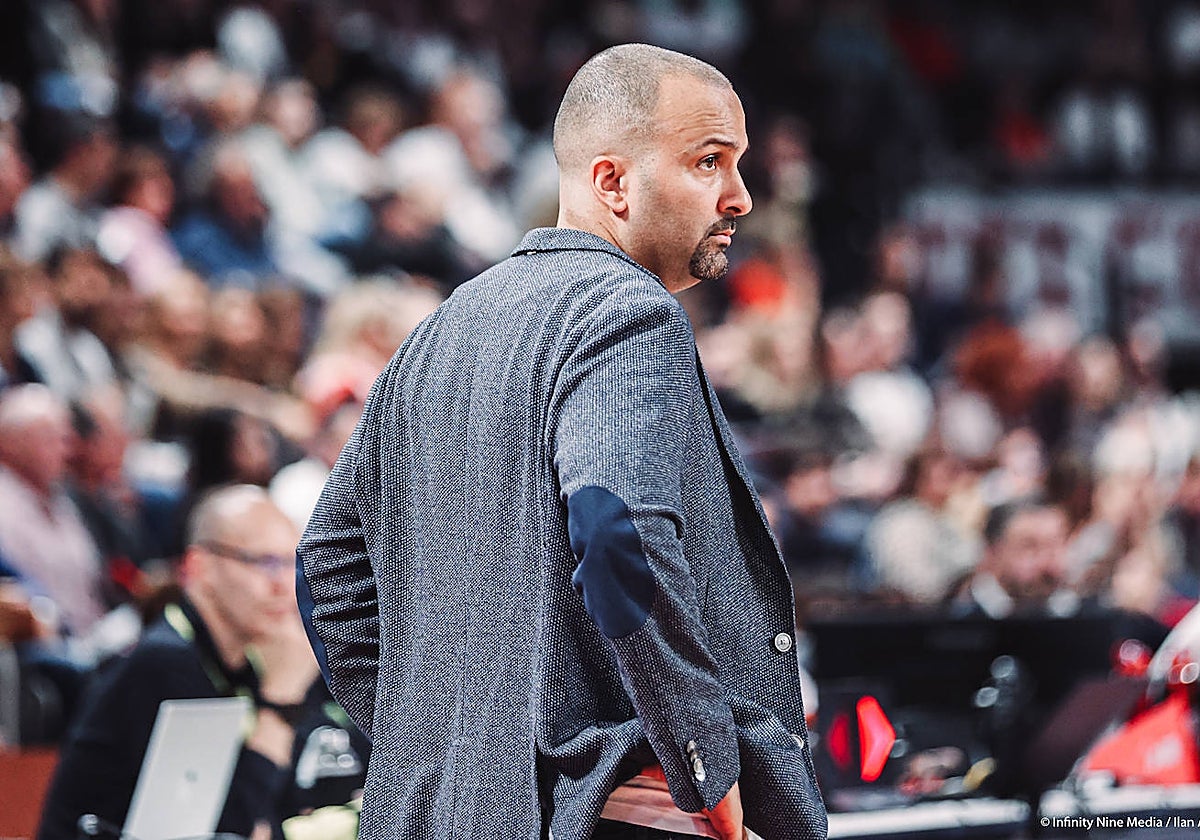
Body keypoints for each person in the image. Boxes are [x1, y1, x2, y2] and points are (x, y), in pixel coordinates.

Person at [298, 44, 827, 840]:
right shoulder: (625, 309)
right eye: (708, 162)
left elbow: (328, 565)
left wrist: (450, 759)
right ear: (612, 181)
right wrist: (703, 770)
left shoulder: (443, 326)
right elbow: (617, 531)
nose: (741, 197)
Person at [38, 485, 367, 840]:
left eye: (291, 564)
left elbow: (268, 818)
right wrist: (281, 699)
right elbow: (226, 830)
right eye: (265, 563)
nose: (284, 587)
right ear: (200, 567)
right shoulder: (163, 663)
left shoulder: (238, 660)